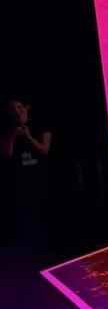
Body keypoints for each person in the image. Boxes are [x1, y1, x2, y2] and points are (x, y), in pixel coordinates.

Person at [1, 97, 52, 247]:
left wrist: (28, 136)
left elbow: (45, 150)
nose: (17, 110)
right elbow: (7, 154)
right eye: (13, 109)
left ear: (25, 108)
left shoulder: (40, 125)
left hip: (40, 180)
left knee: (43, 220)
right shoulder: (8, 130)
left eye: (19, 107)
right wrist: (13, 134)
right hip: (20, 184)